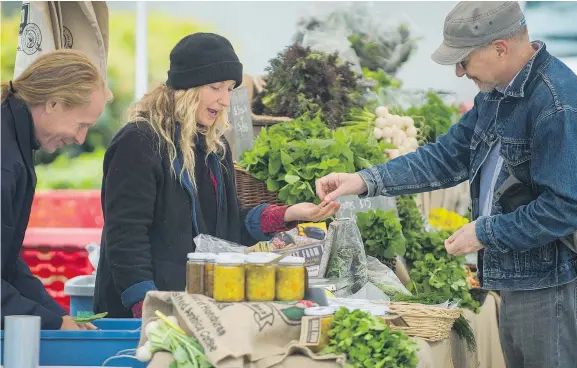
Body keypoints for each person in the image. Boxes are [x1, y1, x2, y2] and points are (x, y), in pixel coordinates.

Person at [316, 2, 577, 367]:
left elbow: (567, 206)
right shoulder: (497, 95)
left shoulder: (557, 104)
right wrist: (365, 180)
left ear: (499, 48)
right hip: (520, 284)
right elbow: (447, 157)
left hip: (552, 290)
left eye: (464, 60)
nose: (460, 73)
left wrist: (486, 233)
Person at [93, 33, 340, 318]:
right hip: (145, 310)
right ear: (188, 87)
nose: (224, 100)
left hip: (199, 307)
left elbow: (228, 229)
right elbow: (125, 235)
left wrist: (288, 214)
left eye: (230, 89)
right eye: (215, 88)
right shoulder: (139, 142)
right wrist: (147, 307)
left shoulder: (214, 148)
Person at [1, 49, 112, 330]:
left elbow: (7, 264)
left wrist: (58, 316)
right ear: (53, 103)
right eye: (81, 125)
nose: (80, 137)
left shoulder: (14, 139)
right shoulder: (6, 158)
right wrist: (52, 321)